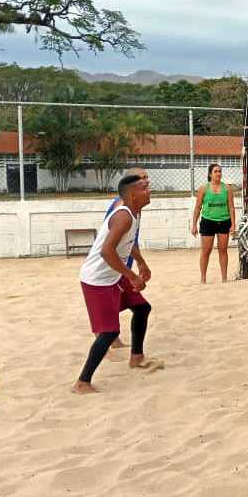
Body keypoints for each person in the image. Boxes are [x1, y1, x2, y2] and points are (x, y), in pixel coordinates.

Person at [74, 174, 160, 394]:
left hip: (112, 274)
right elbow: (106, 251)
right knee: (109, 332)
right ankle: (82, 382)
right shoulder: (124, 216)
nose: (149, 190)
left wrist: (141, 262)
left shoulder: (135, 212)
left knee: (142, 308)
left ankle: (137, 357)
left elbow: (126, 242)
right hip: (98, 280)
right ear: (132, 195)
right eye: (144, 187)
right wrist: (131, 276)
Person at [103, 167, 151, 349]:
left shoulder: (137, 204)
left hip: (125, 258)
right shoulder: (121, 206)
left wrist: (140, 261)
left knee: (126, 299)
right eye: (142, 177)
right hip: (113, 261)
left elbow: (131, 239)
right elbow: (112, 243)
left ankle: (112, 338)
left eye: (147, 176)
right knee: (115, 297)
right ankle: (109, 338)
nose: (146, 180)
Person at [191, 163, 237, 283]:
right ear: (210, 174)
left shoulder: (227, 188)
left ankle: (224, 278)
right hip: (208, 221)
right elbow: (197, 208)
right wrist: (194, 224)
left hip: (223, 221)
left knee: (223, 250)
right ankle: (203, 278)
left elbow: (231, 207)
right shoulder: (203, 189)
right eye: (216, 171)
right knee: (206, 251)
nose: (218, 173)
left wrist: (233, 224)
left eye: (220, 171)